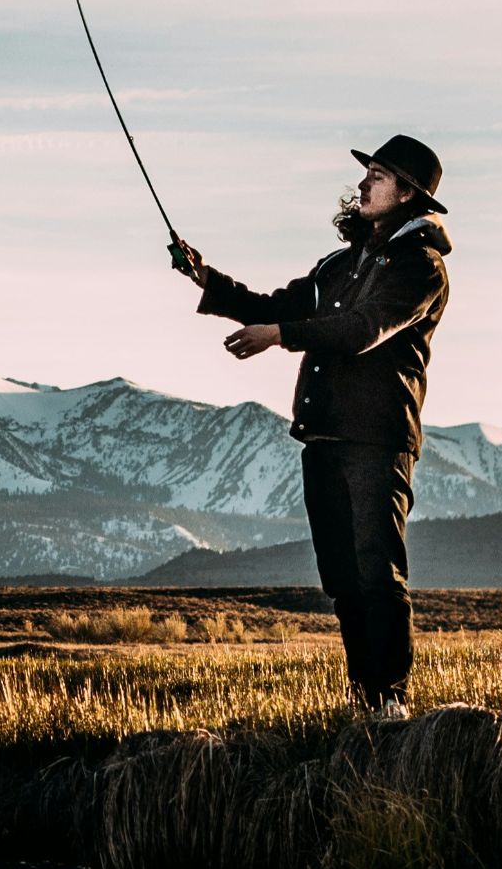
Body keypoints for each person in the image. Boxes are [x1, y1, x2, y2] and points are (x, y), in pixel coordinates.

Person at [174, 135, 453, 719]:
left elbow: (362, 330)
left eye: (377, 176)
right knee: (343, 579)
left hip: (378, 439)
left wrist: (279, 336)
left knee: (378, 572)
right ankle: (366, 703)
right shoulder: (338, 264)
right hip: (323, 435)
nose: (362, 184)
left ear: (407, 194)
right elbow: (281, 304)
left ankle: (392, 703)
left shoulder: (421, 268)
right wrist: (206, 279)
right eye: (367, 173)